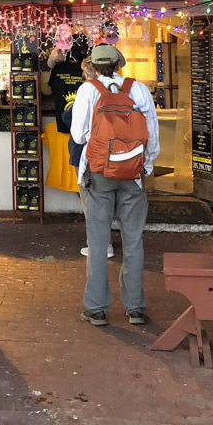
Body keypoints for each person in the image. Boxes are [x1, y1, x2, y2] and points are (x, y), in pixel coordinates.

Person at [70, 45, 159, 327]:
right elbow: (152, 135)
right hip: (133, 175)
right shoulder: (139, 89)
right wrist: (145, 167)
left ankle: (96, 309)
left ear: (94, 66)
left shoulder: (88, 90)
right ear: (119, 64)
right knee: (133, 242)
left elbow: (78, 135)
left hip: (98, 174)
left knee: (98, 244)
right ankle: (135, 309)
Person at [62, 57, 114, 259]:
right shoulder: (116, 89)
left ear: (87, 72)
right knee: (104, 199)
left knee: (90, 202)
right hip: (109, 152)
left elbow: (70, 121)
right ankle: (105, 242)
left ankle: (100, 246)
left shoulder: (86, 90)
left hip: (86, 153)